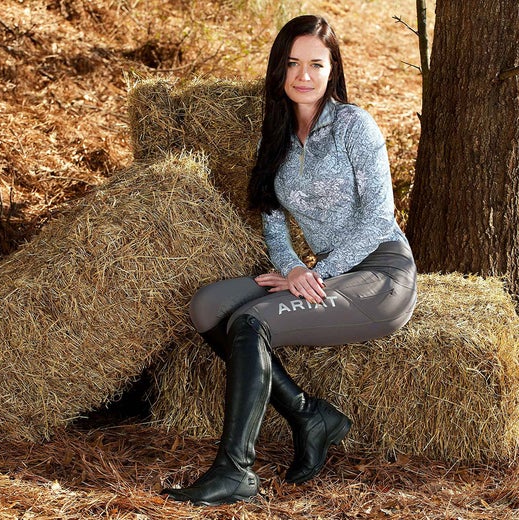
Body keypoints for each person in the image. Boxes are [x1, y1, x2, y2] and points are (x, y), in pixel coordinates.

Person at [161, 14, 417, 506]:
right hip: (323, 271)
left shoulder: (354, 126)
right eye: (293, 63)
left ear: (332, 70)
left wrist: (317, 272)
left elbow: (378, 219)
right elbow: (273, 222)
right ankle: (308, 415)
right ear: (279, 68)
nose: (304, 75)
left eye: (316, 64)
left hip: (381, 272)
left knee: (251, 322)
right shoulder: (275, 135)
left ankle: (235, 471)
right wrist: (293, 268)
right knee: (208, 306)